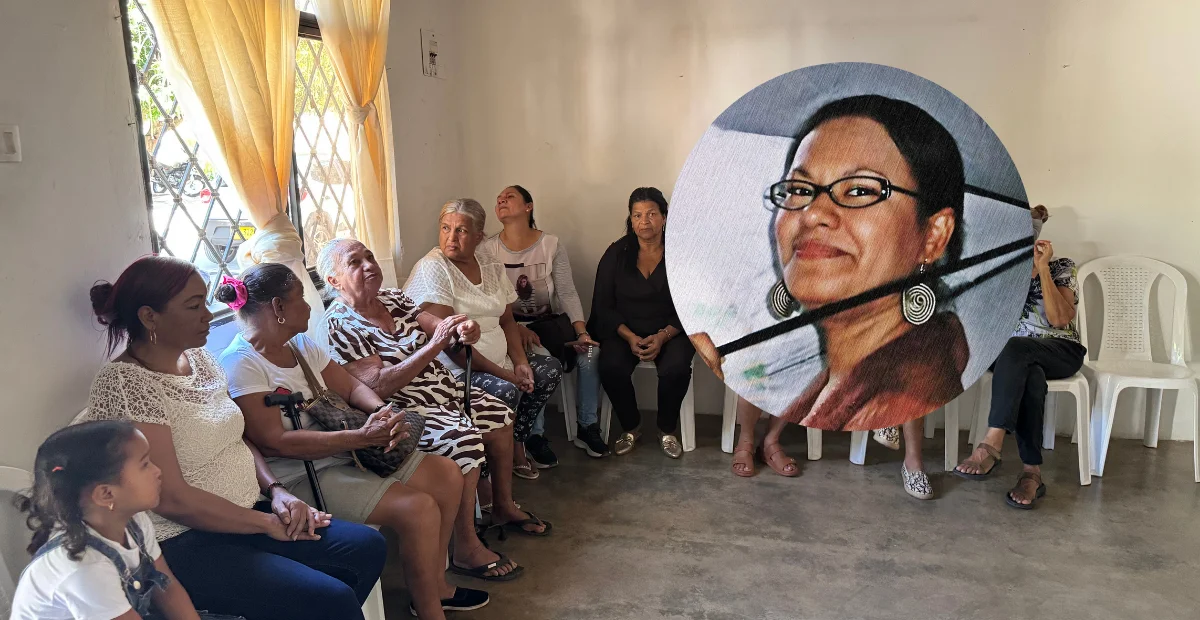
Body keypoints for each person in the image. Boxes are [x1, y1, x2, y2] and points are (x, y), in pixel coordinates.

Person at [84, 256, 386, 620]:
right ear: (150, 317)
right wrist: (267, 525)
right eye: (194, 307)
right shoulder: (126, 383)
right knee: (331, 598)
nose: (208, 316)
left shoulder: (201, 360)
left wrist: (277, 491)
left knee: (366, 546)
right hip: (181, 541)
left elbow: (236, 437)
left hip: (248, 511)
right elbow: (170, 499)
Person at [216, 263, 488, 617]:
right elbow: (274, 443)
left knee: (447, 474)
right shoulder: (242, 364)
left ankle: (435, 586)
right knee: (418, 509)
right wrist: (359, 438)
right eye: (300, 298)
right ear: (278, 309)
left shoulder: (299, 344)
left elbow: (350, 386)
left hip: (343, 451)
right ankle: (429, 609)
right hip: (301, 473)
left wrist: (382, 413)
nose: (310, 307)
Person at [692, 95, 968, 439]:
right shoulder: (837, 381)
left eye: (859, 189)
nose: (813, 213)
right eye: (799, 188)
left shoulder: (903, 395)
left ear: (933, 236)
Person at [319, 240, 548, 576]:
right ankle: (466, 547)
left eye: (370, 256)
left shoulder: (393, 298)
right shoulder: (340, 323)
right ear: (334, 280)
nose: (369, 265)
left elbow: (438, 325)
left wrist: (461, 328)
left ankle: (502, 506)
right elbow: (377, 385)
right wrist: (436, 345)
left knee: (499, 415)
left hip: (443, 389)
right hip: (403, 407)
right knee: (464, 439)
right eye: (354, 262)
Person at [406, 199, 564, 480]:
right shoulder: (434, 267)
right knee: (507, 389)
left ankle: (516, 441)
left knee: (548, 370)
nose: (451, 238)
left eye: (461, 231)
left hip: (499, 360)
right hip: (457, 369)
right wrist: (505, 374)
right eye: (445, 228)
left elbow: (506, 320)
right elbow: (450, 345)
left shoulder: (490, 263)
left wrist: (519, 362)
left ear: (479, 236)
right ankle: (490, 464)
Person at [10, 420, 232, 620]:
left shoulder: (135, 521)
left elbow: (167, 587)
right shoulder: (84, 568)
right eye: (145, 464)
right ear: (106, 495)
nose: (158, 471)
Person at [954, 205, 1085, 509]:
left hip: (1060, 350)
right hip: (1010, 356)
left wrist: (1042, 271)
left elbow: (1058, 320)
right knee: (1029, 371)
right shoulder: (998, 271)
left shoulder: (1062, 266)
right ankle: (1031, 473)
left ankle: (991, 443)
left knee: (1019, 349)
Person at [480, 185, 609, 459]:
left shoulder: (551, 245)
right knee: (536, 359)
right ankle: (534, 436)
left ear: (529, 206)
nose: (501, 200)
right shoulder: (487, 249)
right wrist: (515, 328)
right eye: (498, 199)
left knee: (590, 353)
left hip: (551, 325)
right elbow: (488, 300)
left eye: (510, 196)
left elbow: (567, 292)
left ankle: (587, 426)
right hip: (512, 329)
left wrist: (581, 332)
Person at [590, 187, 695, 458]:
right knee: (610, 365)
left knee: (676, 368)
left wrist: (663, 336)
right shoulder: (616, 253)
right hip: (625, 330)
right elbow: (603, 304)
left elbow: (693, 304)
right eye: (637, 215)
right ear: (630, 219)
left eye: (651, 214)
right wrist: (628, 336)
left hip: (672, 330)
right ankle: (631, 426)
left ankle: (666, 429)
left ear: (664, 217)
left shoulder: (681, 253)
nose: (644, 221)